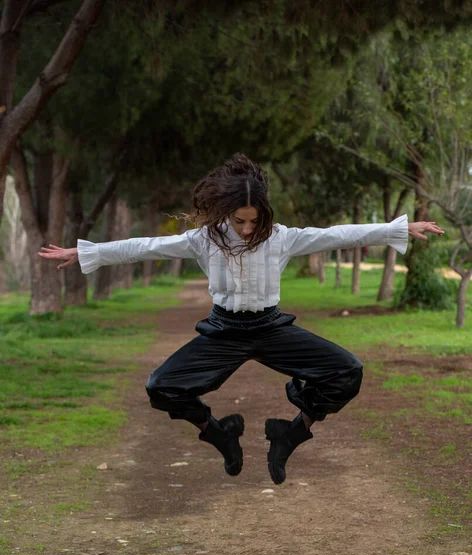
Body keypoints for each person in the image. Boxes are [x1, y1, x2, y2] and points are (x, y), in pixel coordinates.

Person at [38, 153, 444, 485]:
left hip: (270, 329)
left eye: (254, 220)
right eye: (239, 221)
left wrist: (400, 228)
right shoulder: (204, 239)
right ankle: (220, 433)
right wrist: (86, 254)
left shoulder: (282, 237)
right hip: (223, 332)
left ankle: (289, 434)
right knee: (160, 387)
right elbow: (146, 246)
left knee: (347, 372)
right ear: (226, 212)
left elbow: (339, 234)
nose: (248, 229)